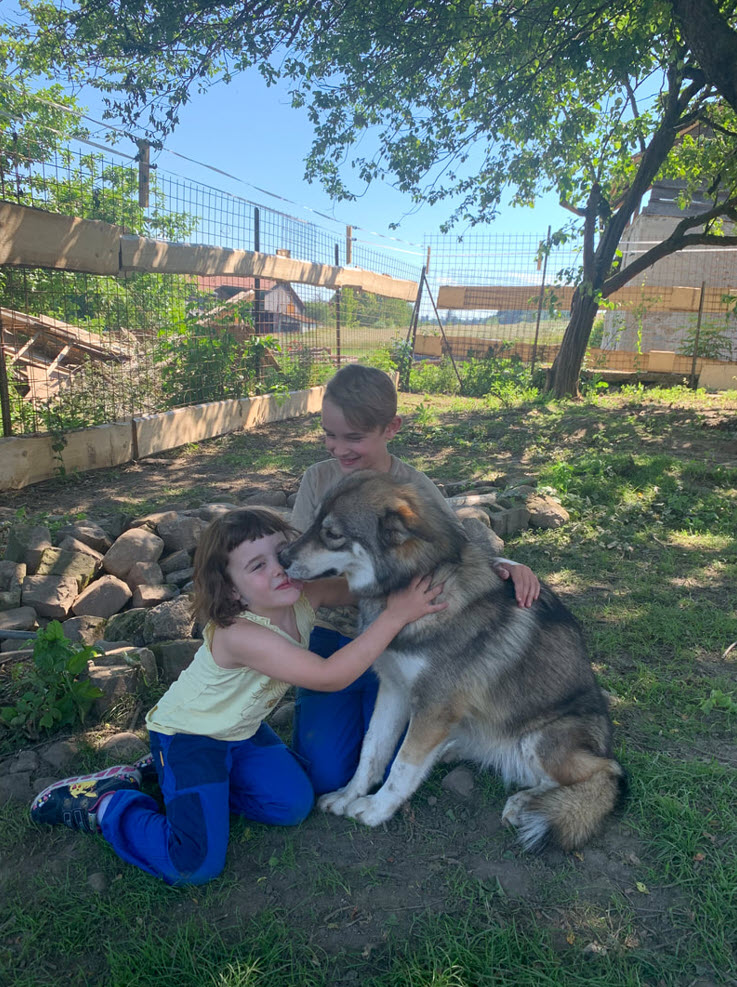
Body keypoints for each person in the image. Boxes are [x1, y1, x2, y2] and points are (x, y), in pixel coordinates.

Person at [29, 507, 445, 886]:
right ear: (232, 592)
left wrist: (414, 575)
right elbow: (329, 676)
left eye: (281, 553)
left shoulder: (304, 593)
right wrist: (397, 615)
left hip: (241, 732)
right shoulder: (240, 633)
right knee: (195, 863)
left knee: (293, 805)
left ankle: (167, 778)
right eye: (257, 565)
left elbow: (359, 588)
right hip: (189, 737)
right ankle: (107, 804)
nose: (278, 568)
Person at [290, 363, 541, 796]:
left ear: (391, 428)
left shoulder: (414, 490)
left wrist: (506, 563)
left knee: (397, 756)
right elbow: (303, 575)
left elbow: (454, 554)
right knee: (325, 774)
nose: (338, 448)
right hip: (335, 641)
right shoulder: (319, 480)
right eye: (329, 434)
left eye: (353, 437)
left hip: (404, 645)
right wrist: (380, 601)